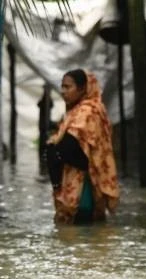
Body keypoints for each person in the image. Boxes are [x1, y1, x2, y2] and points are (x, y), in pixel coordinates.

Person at [45, 69, 119, 224]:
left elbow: (71, 146)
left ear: (82, 89)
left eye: (68, 87)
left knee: (82, 230)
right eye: (62, 87)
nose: (63, 91)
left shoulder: (88, 111)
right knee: (80, 235)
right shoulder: (76, 111)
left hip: (84, 184)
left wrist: (54, 148)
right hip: (75, 182)